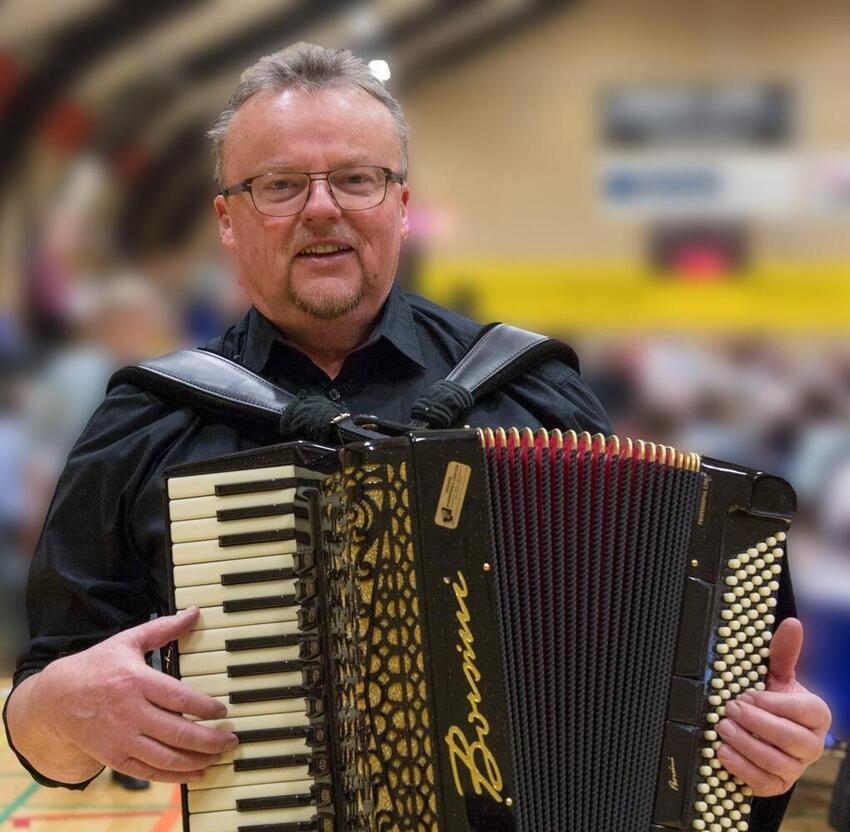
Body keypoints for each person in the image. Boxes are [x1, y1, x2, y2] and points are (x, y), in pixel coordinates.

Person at [2, 43, 830, 827]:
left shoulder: (535, 392)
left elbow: (659, 691)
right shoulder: (146, 421)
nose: (321, 208)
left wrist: (765, 744)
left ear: (400, 205)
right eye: (280, 185)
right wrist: (61, 708)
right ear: (228, 218)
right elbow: (47, 737)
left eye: (357, 178)